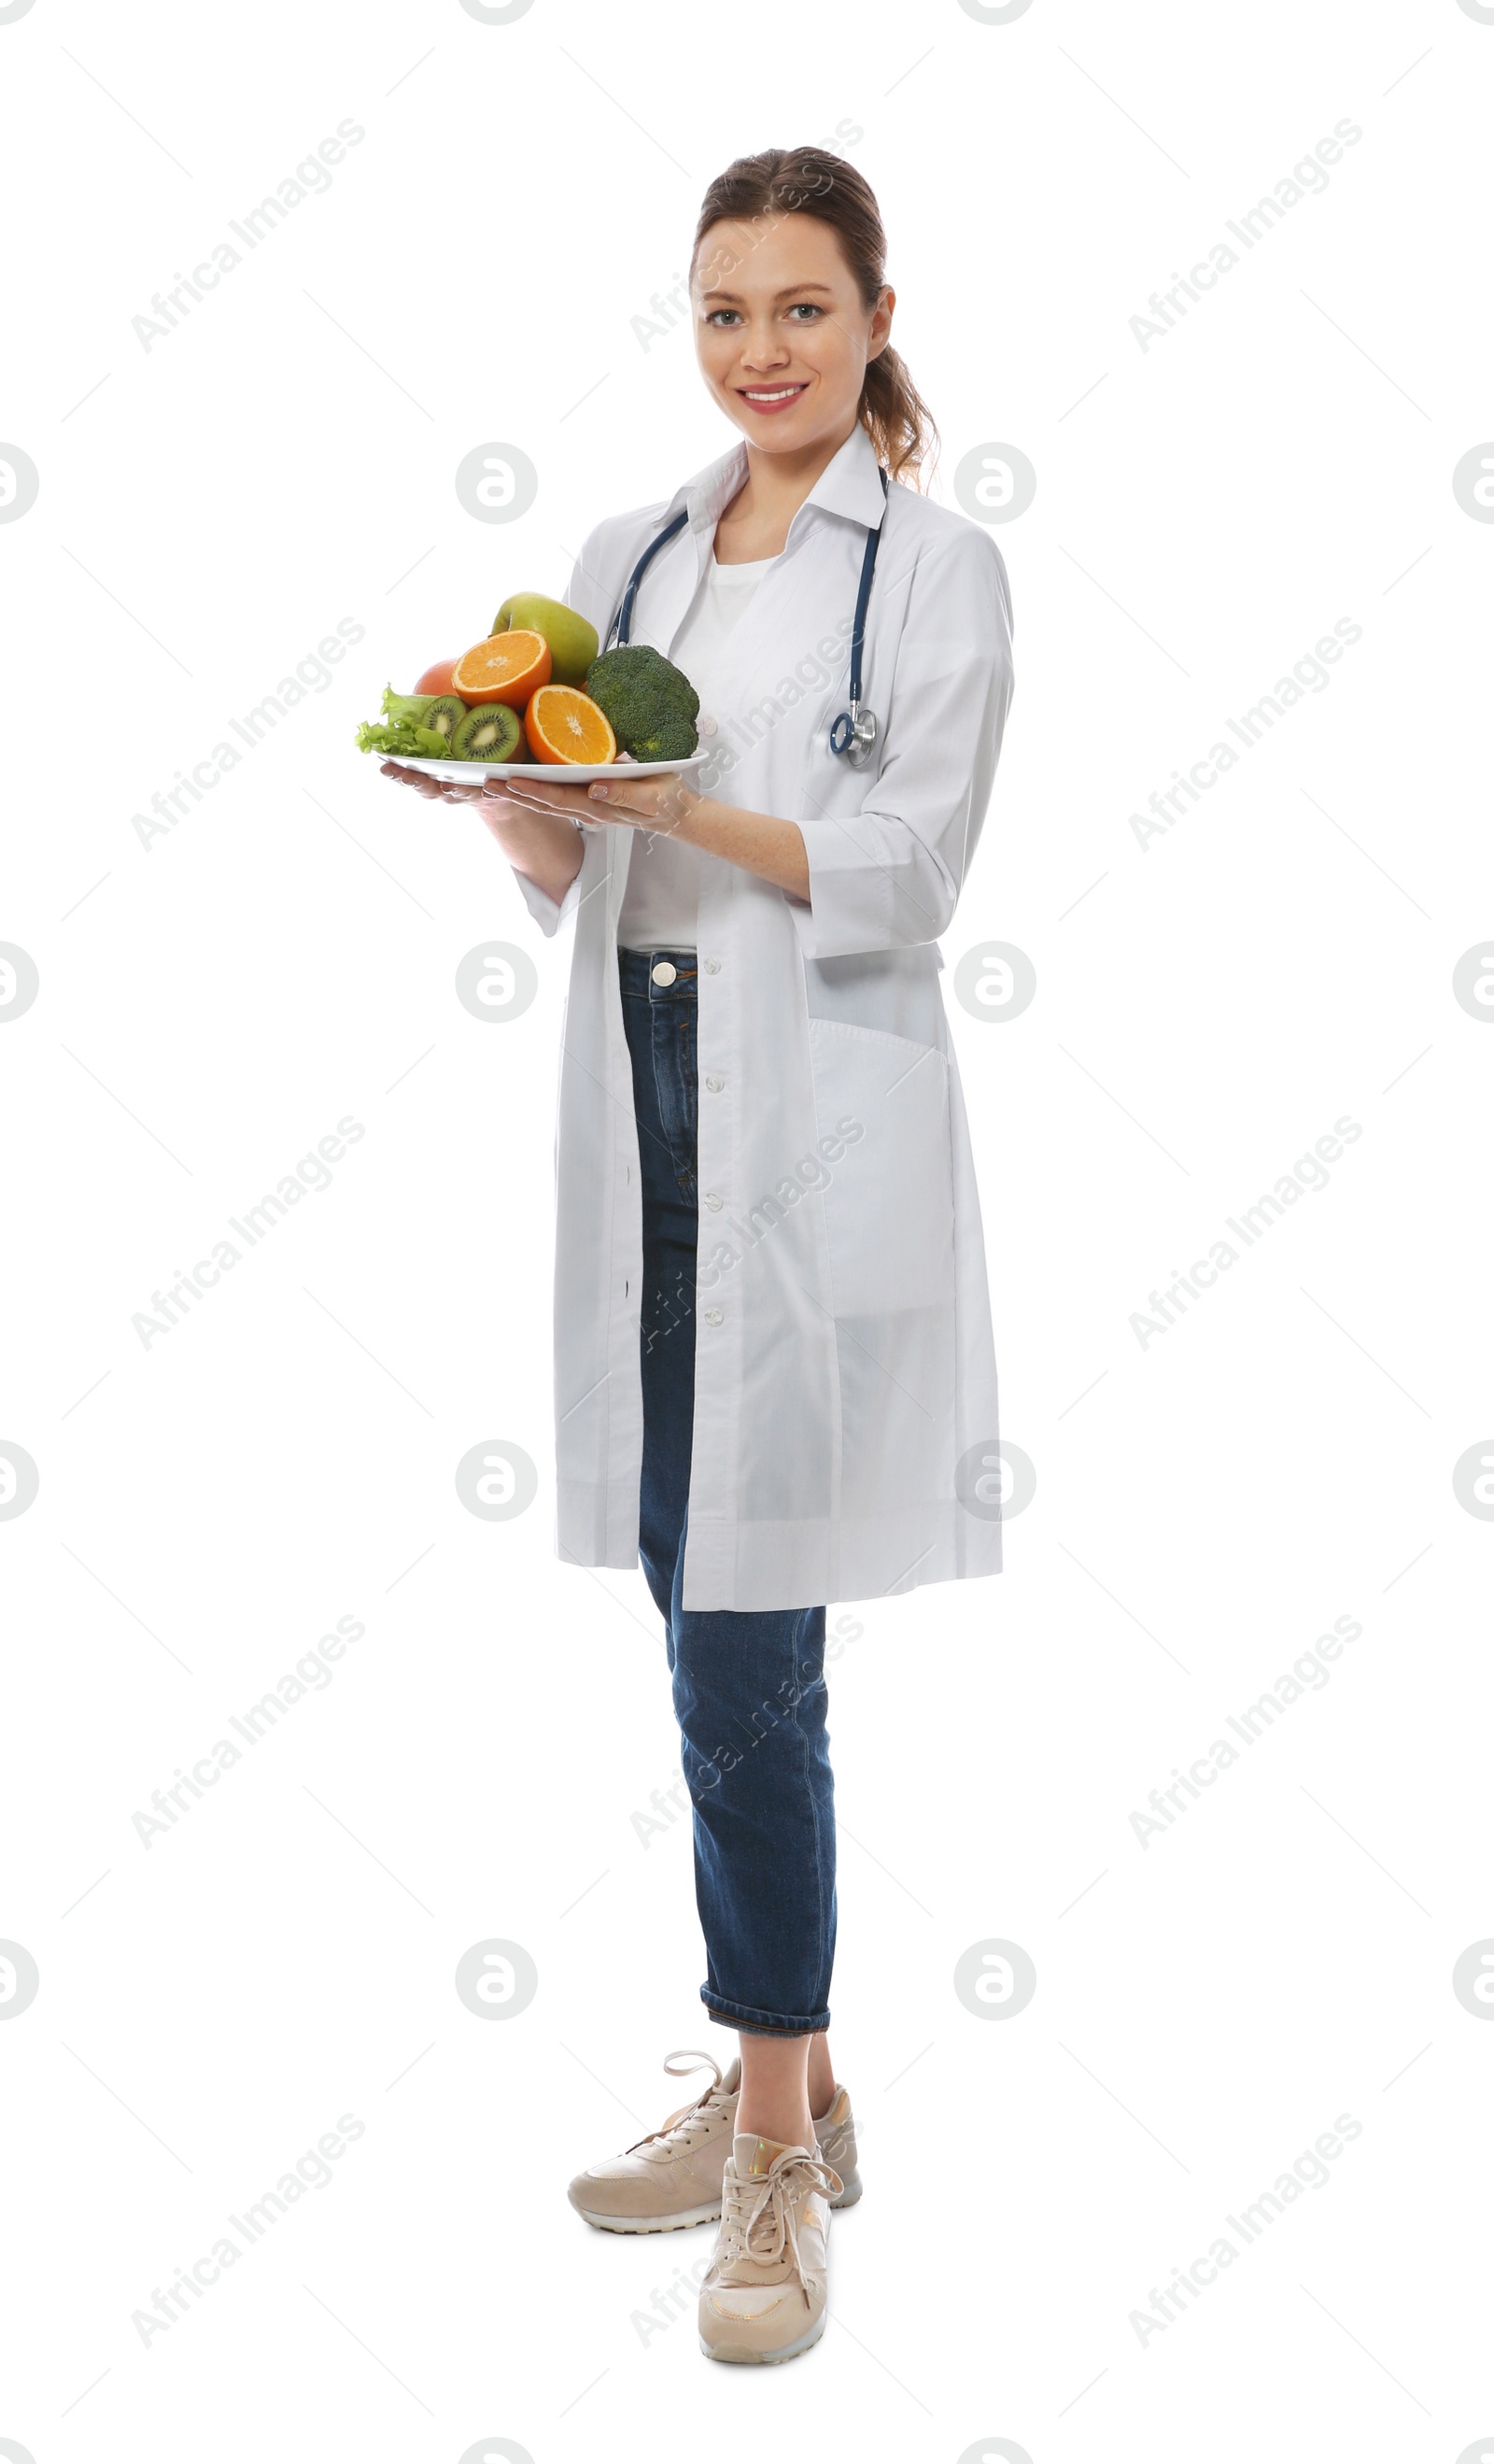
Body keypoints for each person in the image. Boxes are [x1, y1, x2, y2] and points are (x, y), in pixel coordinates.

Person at [383, 144, 1015, 2366]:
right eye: (724, 311)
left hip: (808, 1126)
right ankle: (799, 2080)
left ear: (873, 318)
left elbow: (902, 871)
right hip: (642, 1097)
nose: (760, 351)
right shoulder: (622, 556)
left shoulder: (928, 576)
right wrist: (512, 802)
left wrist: (670, 813)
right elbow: (602, 897)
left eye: (801, 310)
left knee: (744, 1647)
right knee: (687, 1589)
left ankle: (769, 2148)